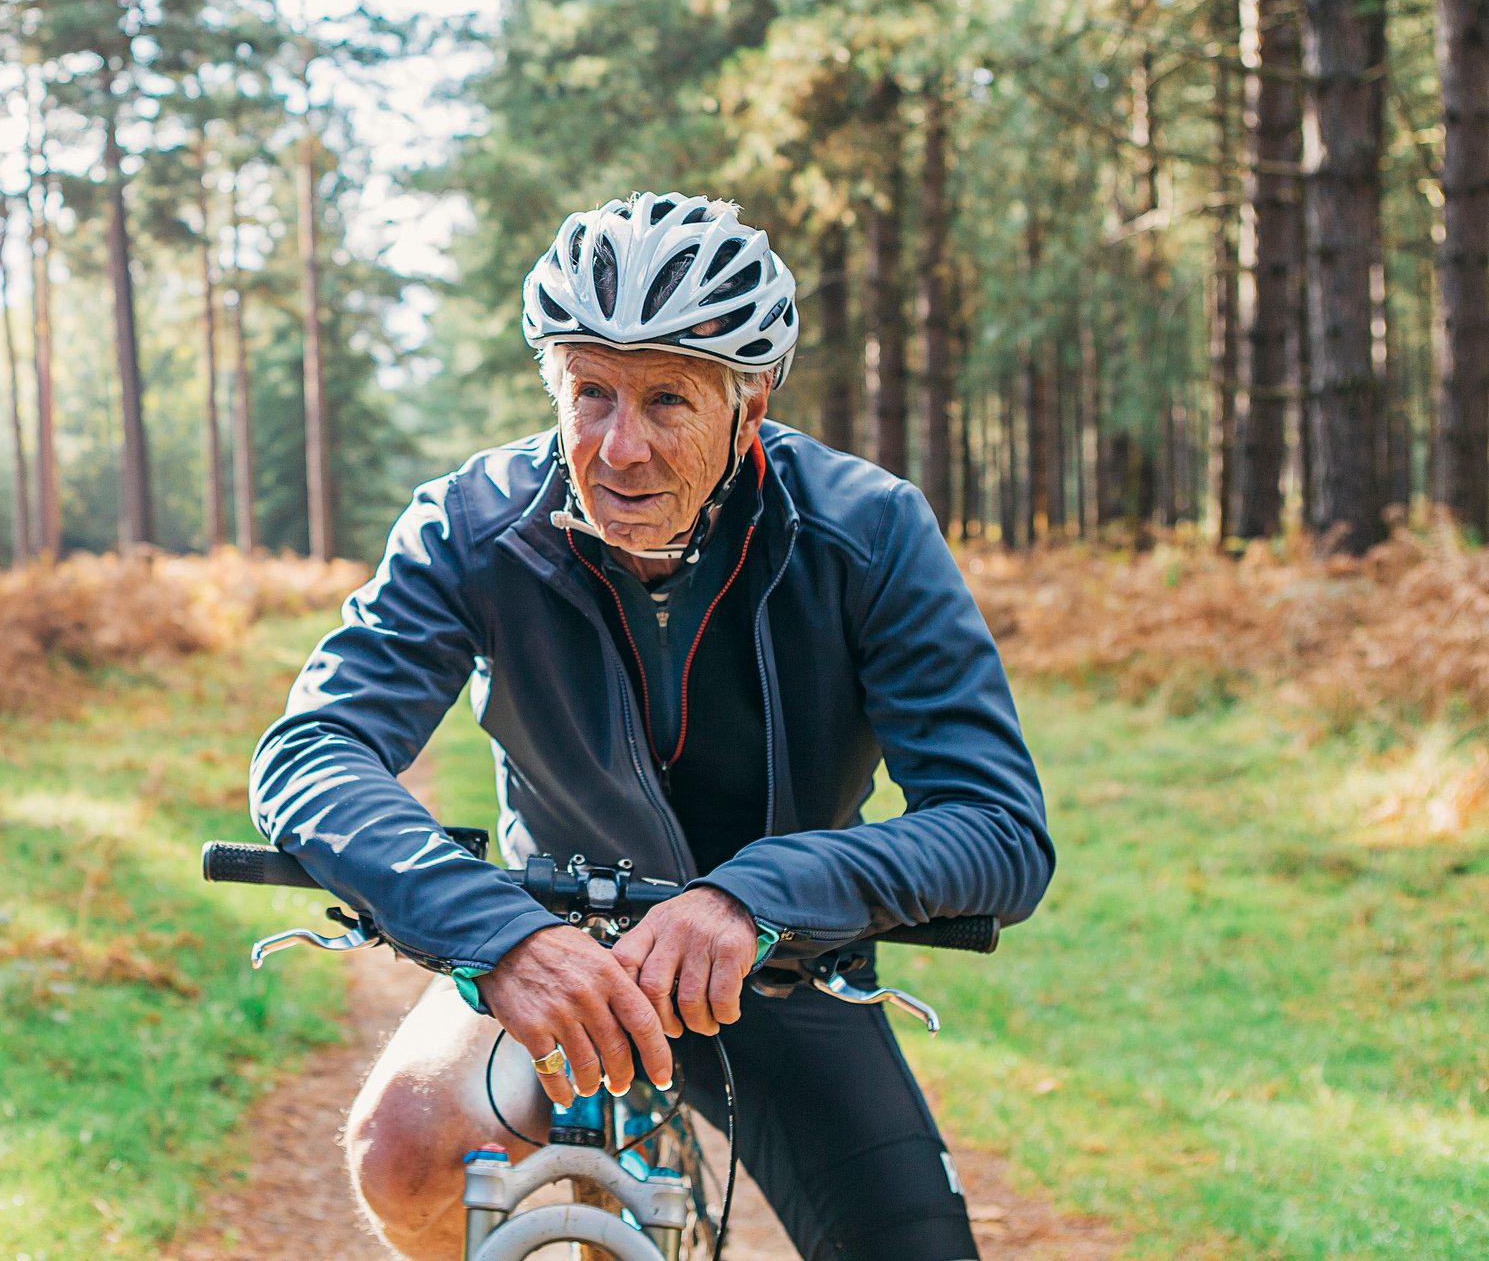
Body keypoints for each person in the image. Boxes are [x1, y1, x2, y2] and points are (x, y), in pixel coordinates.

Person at [248, 192, 1054, 1261]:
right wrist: (499, 933)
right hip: (552, 942)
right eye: (590, 394)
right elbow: (312, 752)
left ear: (749, 399)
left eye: (667, 399)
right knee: (401, 1147)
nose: (618, 447)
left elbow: (999, 826)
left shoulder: (867, 532)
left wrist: (757, 893)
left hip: (779, 957)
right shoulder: (471, 527)